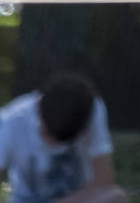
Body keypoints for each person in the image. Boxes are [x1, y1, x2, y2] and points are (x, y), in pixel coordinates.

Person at [0, 72, 128, 203]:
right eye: (48, 133)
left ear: (85, 128)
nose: (51, 145)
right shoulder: (11, 121)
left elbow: (104, 181)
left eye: (61, 141)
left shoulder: (91, 110)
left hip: (76, 199)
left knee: (115, 197)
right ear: (38, 104)